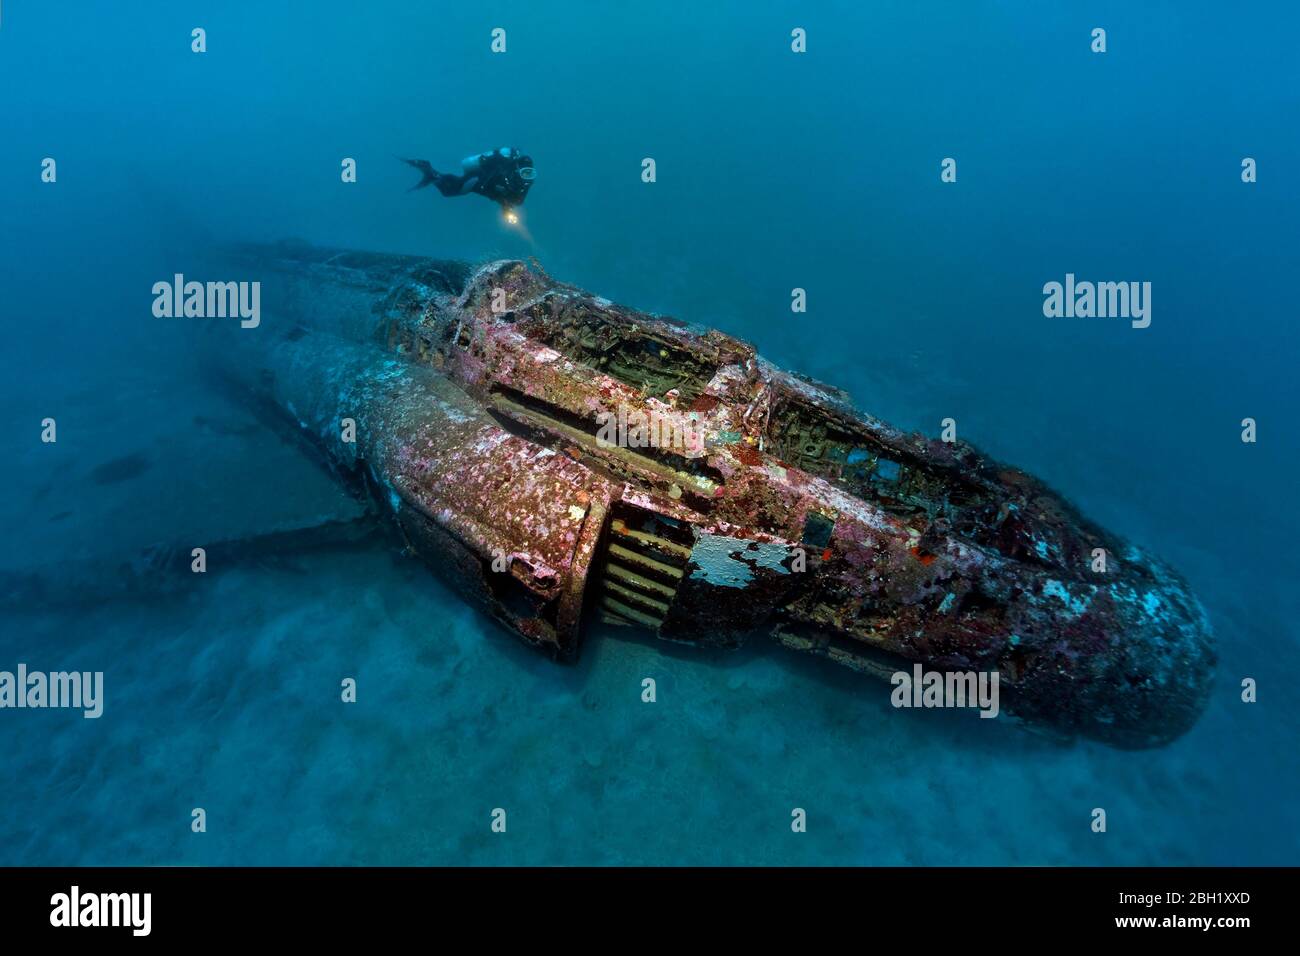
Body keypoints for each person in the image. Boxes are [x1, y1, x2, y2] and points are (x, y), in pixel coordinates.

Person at [403, 148, 536, 217]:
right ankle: (430, 171)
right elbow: (489, 185)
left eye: (530, 173)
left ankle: (431, 174)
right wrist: (499, 196)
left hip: (487, 189)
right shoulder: (503, 171)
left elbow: (513, 199)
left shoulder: (524, 185)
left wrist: (505, 207)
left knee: (449, 190)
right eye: (525, 173)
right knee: (449, 191)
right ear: (518, 171)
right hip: (478, 180)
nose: (527, 178)